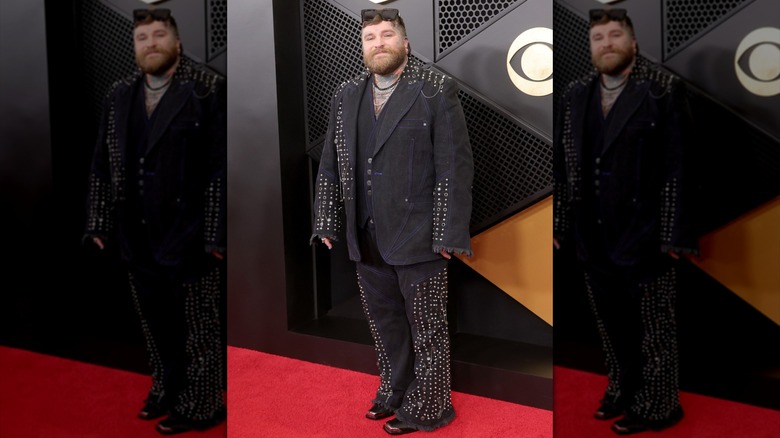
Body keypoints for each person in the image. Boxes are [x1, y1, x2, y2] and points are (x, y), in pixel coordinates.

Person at [310, 8, 473, 435]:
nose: (378, 42)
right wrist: (326, 219)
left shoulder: (437, 89)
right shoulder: (346, 94)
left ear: (405, 43)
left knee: (428, 328)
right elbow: (331, 164)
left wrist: (448, 233)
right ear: (363, 46)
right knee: (384, 324)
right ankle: (395, 388)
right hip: (365, 234)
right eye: (369, 37)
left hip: (420, 234)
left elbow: (454, 167)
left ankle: (431, 406)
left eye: (387, 35)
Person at [553, 8, 698, 435]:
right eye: (599, 38)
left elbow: (682, 168)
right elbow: (562, 166)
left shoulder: (663, 90)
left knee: (654, 329)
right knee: (610, 323)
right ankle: (622, 387)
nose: (607, 43)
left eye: (616, 35)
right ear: (591, 47)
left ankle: (659, 405)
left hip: (647, 234)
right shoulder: (575, 93)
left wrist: (675, 234)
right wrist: (561, 224)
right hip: (591, 234)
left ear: (633, 44)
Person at [84, 8, 226, 435]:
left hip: (189, 234)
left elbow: (220, 166)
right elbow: (101, 164)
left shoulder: (206, 89)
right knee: (155, 324)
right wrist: (98, 223)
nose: (150, 44)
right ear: (135, 48)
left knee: (198, 328)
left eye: (158, 35)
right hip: (136, 233)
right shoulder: (119, 93)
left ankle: (202, 404)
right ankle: (166, 388)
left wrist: (217, 233)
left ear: (177, 43)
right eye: (142, 38)